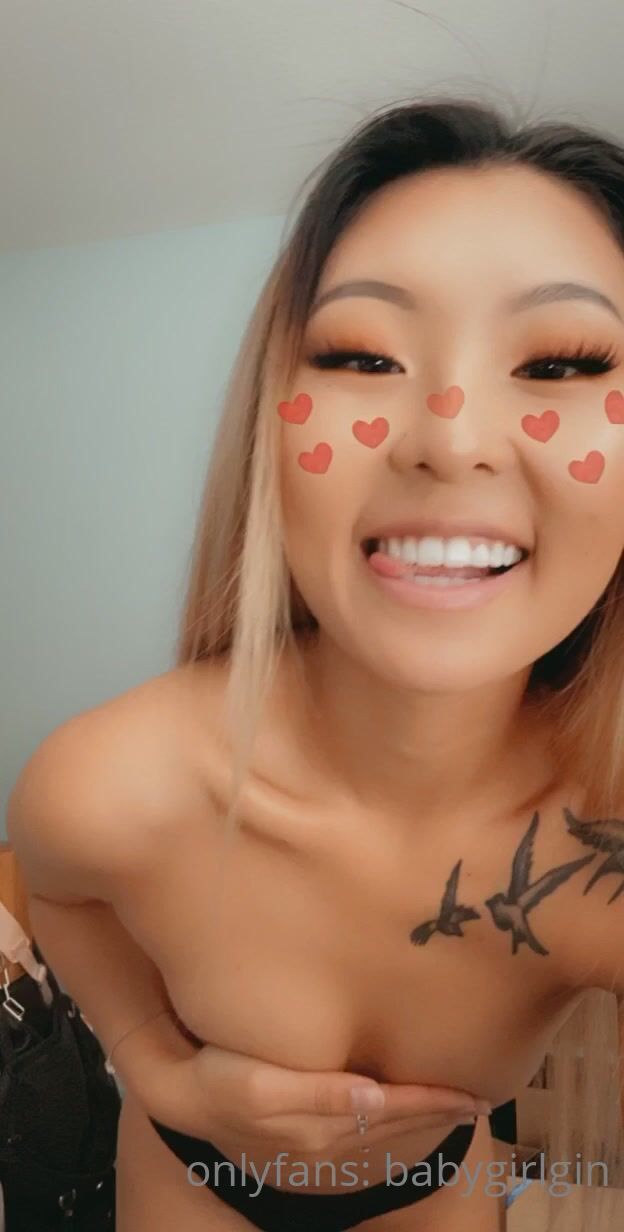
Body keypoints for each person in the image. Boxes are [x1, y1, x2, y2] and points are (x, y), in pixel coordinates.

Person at [8, 92, 624, 1232]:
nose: (449, 438)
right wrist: (158, 1069)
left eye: (560, 363)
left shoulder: (606, 842)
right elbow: (58, 892)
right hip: (188, 1182)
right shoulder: (109, 780)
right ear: (272, 422)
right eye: (361, 354)